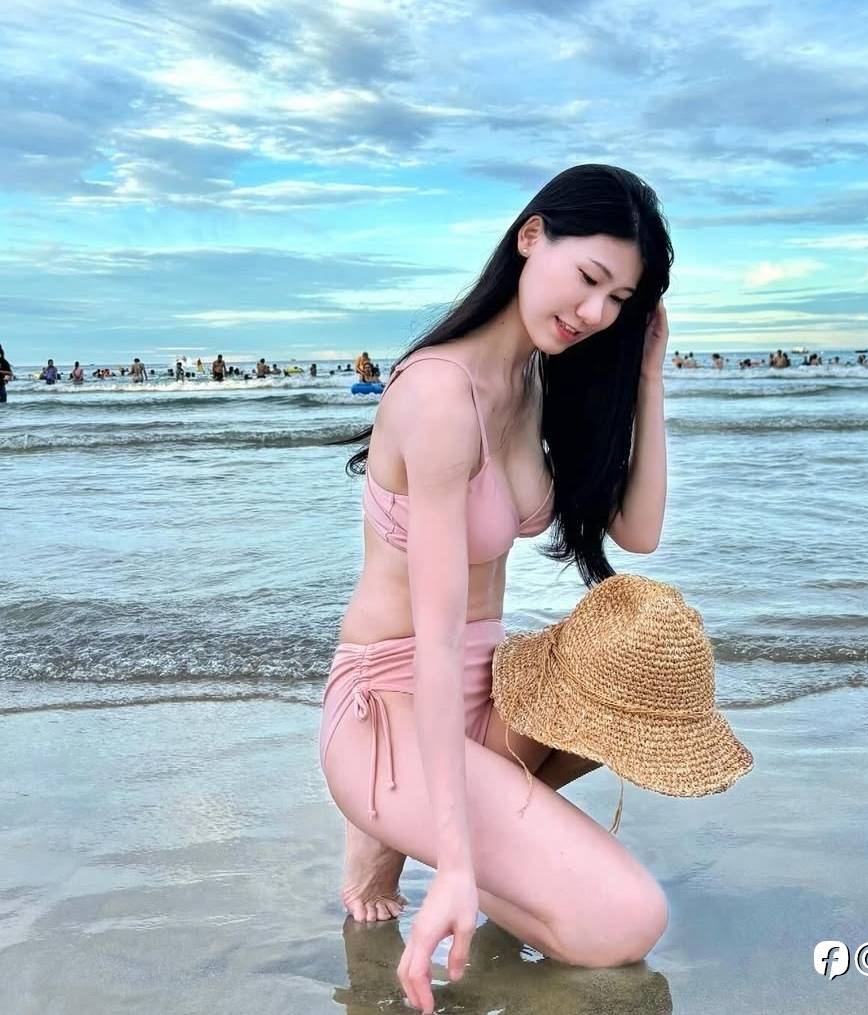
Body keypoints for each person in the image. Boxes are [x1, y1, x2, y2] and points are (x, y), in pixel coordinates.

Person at [320, 164, 672, 1013]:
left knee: (644, 669)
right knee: (626, 922)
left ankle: (416, 823)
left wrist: (648, 379)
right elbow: (436, 641)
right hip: (394, 700)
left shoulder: (536, 380)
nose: (595, 313)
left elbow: (638, 533)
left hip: (490, 693)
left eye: (619, 299)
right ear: (530, 237)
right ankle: (393, 816)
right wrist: (457, 866)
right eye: (589, 277)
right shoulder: (440, 395)